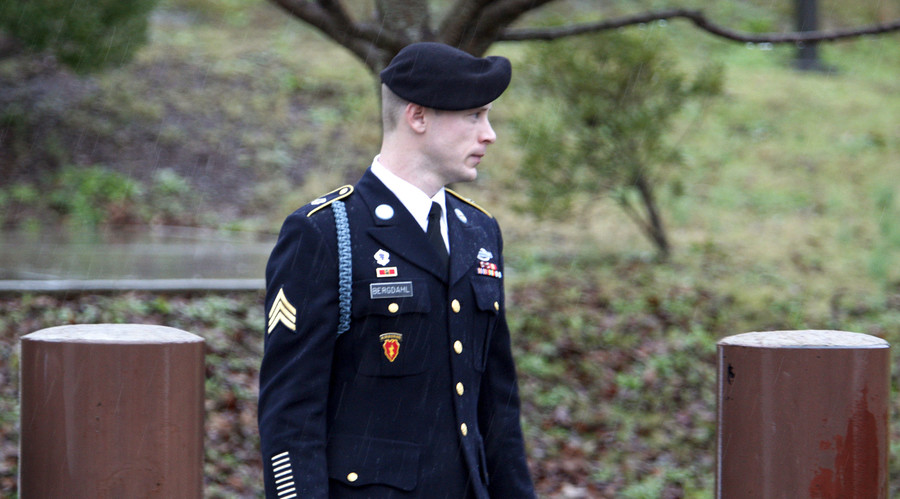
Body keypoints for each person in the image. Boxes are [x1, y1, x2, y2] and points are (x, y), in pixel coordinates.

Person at [258, 42, 536, 499]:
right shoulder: (329, 233)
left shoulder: (479, 232)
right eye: (474, 116)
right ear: (418, 116)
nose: (489, 134)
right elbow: (290, 418)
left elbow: (498, 414)